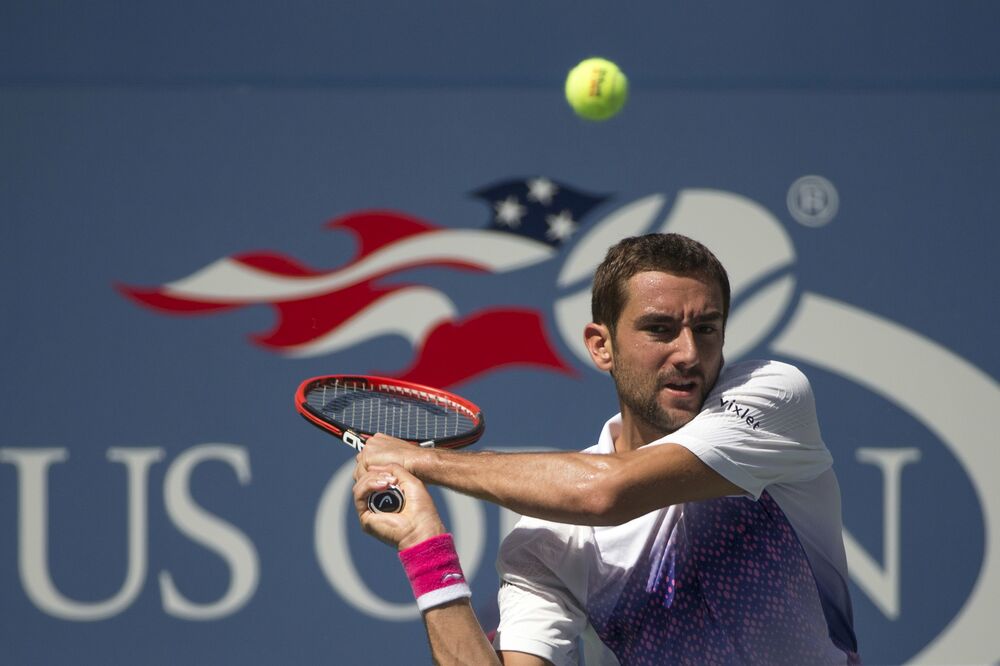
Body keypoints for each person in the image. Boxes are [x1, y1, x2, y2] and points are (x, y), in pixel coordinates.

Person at [353, 233, 860, 665]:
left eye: (706, 328)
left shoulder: (772, 396)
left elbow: (606, 493)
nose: (688, 353)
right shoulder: (550, 538)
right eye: (659, 329)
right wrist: (423, 544)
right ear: (602, 345)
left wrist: (423, 460)